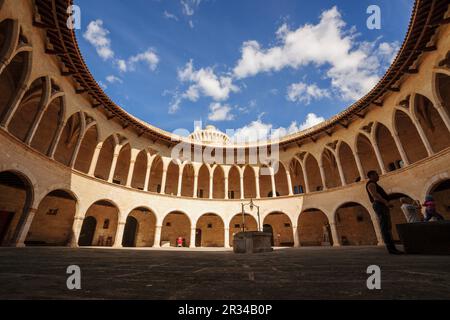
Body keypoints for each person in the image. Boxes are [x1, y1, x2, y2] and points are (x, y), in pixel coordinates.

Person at [366, 171, 403, 255]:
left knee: (387, 226)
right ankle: (391, 249)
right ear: (371, 176)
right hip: (379, 205)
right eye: (376, 174)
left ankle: (392, 248)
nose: (378, 176)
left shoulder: (373, 184)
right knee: (385, 227)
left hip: (381, 205)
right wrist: (385, 202)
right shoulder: (371, 184)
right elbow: (375, 195)